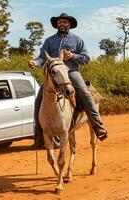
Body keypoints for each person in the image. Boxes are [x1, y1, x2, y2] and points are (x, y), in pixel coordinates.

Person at [29, 13, 107, 147]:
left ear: (69, 25)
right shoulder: (49, 41)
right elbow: (42, 57)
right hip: (53, 75)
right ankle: (39, 134)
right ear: (57, 24)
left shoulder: (77, 40)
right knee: (39, 99)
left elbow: (86, 58)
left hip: (71, 72)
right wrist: (35, 63)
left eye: (65, 22)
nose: (62, 24)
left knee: (84, 92)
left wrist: (72, 55)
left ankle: (97, 124)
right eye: (60, 22)